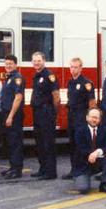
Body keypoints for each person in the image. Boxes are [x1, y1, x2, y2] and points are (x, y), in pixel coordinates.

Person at [62, 57, 96, 180]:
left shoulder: (86, 83)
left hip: (81, 118)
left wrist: (90, 119)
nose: (73, 69)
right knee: (72, 144)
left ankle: (82, 171)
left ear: (81, 68)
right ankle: (73, 169)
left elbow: (92, 102)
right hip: (72, 117)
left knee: (80, 145)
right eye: (71, 67)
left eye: (75, 67)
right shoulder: (71, 82)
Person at [30, 52, 60, 180]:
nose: (36, 63)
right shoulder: (37, 75)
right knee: (39, 143)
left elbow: (56, 96)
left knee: (48, 143)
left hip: (46, 112)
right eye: (34, 61)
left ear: (44, 61)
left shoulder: (49, 75)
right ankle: (42, 169)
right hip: (37, 112)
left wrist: (53, 113)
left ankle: (50, 172)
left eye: (39, 60)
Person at [72, 108, 106, 194]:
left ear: (100, 119)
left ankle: (104, 183)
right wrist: (91, 154)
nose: (94, 120)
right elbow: (80, 148)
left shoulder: (105, 130)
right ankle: (79, 177)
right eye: (92, 117)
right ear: (87, 117)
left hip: (97, 161)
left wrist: (97, 152)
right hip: (83, 165)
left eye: (97, 118)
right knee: (83, 189)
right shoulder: (79, 130)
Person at [0, 55, 25, 179]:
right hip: (7, 113)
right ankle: (12, 167)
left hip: (14, 115)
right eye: (6, 64)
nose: (8, 66)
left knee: (15, 142)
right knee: (9, 142)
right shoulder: (9, 78)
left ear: (15, 65)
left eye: (11, 64)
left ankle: (17, 170)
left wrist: (10, 116)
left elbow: (18, 98)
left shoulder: (17, 78)